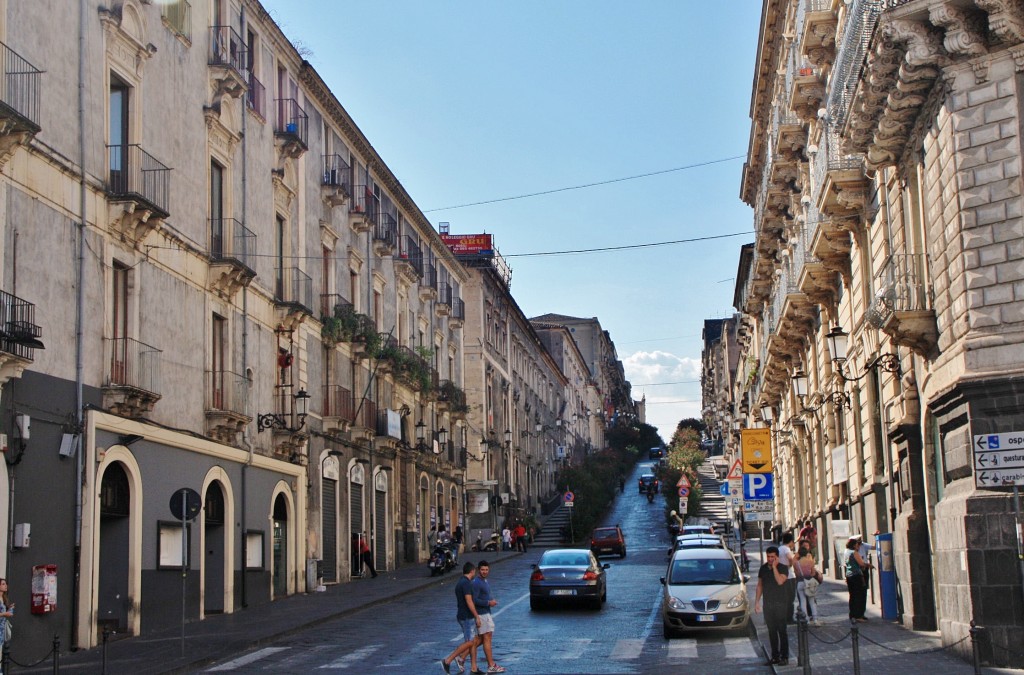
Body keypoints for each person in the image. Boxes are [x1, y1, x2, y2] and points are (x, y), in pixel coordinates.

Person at [441, 562, 482, 674]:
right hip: (466, 616)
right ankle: (448, 660)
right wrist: (476, 616)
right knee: (470, 642)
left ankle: (474, 667)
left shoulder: (461, 582)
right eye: (475, 571)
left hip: (464, 615)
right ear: (472, 571)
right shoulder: (466, 584)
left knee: (473, 642)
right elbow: (469, 601)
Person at [755, 546, 790, 666]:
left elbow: (780, 581)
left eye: (772, 557)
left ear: (777, 557)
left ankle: (784, 656)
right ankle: (775, 656)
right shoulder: (763, 569)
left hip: (781, 603)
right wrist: (757, 602)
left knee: (782, 630)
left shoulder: (783, 568)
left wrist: (774, 567)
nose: (770, 559)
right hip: (768, 604)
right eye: (768, 557)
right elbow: (760, 585)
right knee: (772, 631)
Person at [471, 561, 505, 673]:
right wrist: (488, 603)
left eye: (486, 570)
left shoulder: (484, 581)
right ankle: (491, 665)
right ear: (478, 570)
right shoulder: (477, 582)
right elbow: (474, 600)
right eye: (482, 570)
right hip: (482, 613)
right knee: (487, 638)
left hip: (486, 612)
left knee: (479, 639)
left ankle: (460, 656)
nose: (485, 572)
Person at [794, 543, 823, 625]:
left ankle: (805, 619)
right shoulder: (810, 562)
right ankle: (815, 619)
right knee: (812, 601)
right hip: (809, 583)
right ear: (807, 553)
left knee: (803, 601)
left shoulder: (797, 563)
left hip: (800, 582)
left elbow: (796, 574)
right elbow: (813, 573)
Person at [843, 536, 870, 621]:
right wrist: (868, 565)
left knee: (853, 595)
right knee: (859, 595)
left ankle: (852, 615)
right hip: (857, 576)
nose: (858, 546)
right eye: (857, 544)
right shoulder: (854, 552)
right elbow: (861, 564)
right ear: (854, 545)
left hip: (849, 575)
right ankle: (858, 616)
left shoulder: (846, 551)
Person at [778, 532, 797, 621]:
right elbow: (790, 558)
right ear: (791, 541)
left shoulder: (779, 549)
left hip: (781, 576)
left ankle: (783, 616)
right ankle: (789, 618)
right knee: (790, 598)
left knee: (783, 598)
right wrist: (790, 564)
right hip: (789, 576)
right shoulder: (786, 549)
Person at [0, 578, 13, 656]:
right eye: (3, 584)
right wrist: (4, 614)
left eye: (6, 584)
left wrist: (9, 608)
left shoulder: (3, 598)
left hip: (1, 628)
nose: (6, 586)